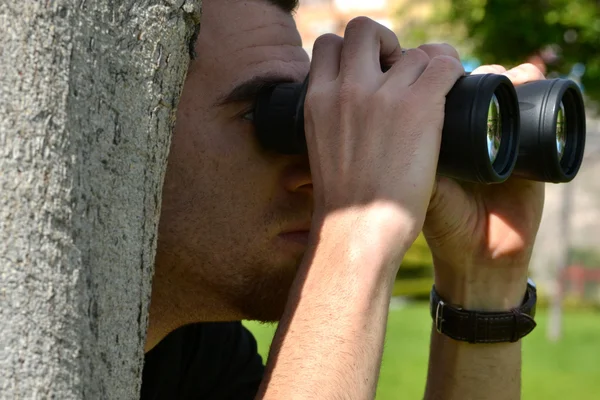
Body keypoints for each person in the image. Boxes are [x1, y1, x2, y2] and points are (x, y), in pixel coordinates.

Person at [140, 0, 546, 398]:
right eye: (264, 115)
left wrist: (481, 277)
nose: (323, 166)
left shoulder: (195, 356)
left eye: (309, 109)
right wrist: (358, 222)